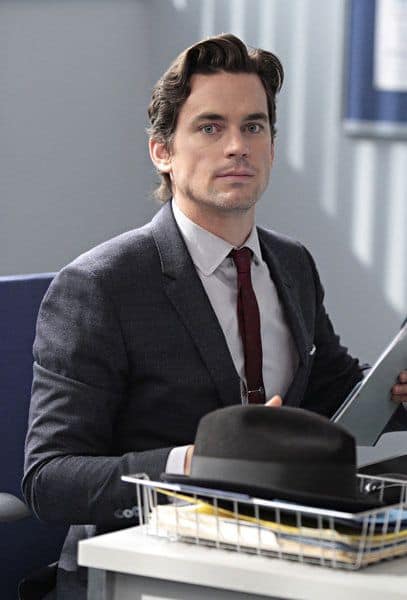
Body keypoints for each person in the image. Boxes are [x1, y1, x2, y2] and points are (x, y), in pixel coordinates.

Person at [23, 34, 407, 599]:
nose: (237, 147)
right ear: (162, 152)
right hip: (146, 567)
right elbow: (49, 480)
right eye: (210, 127)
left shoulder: (292, 263)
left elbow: (329, 393)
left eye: (253, 127)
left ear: (272, 144)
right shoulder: (101, 286)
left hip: (280, 549)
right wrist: (199, 464)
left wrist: (396, 391)